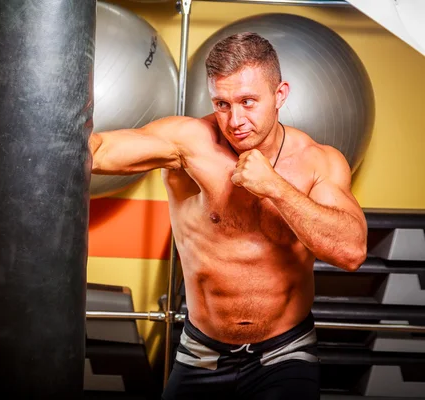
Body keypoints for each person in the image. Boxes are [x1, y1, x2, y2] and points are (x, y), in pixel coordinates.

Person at [89, 32, 368, 399]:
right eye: (222, 104)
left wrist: (274, 187)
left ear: (280, 94)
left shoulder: (317, 162)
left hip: (285, 355)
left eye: (248, 102)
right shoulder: (189, 145)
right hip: (201, 355)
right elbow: (100, 150)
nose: (235, 120)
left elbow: (351, 251)